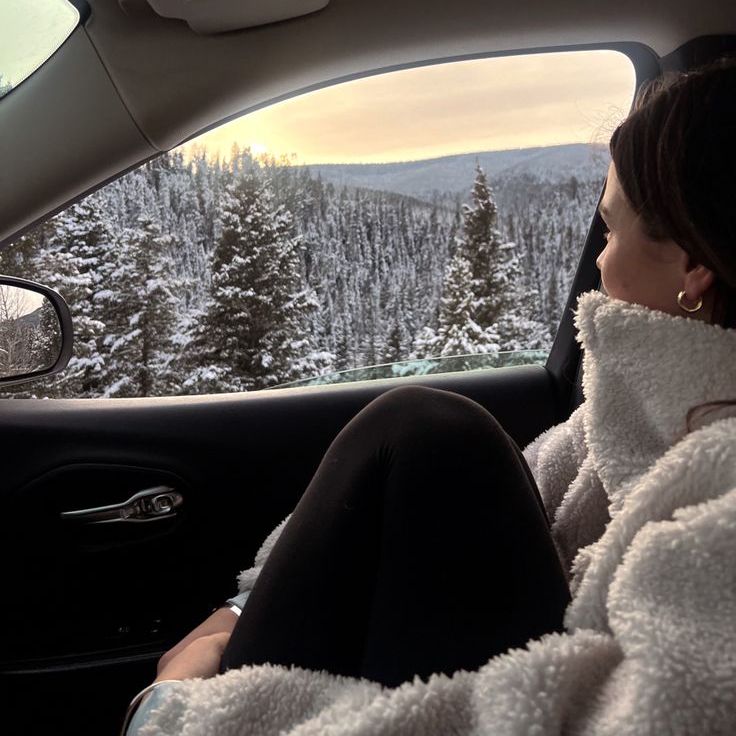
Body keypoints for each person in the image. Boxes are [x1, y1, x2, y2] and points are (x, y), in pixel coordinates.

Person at [122, 60, 736, 735]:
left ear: (691, 267)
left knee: (428, 427)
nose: (599, 259)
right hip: (547, 663)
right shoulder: (628, 414)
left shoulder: (721, 491)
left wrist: (183, 716)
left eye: (611, 231)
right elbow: (504, 491)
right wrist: (245, 610)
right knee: (422, 433)